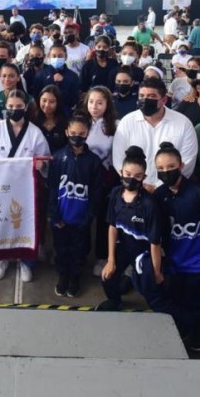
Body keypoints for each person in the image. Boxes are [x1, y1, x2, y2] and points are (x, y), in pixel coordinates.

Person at [153, 141, 200, 351]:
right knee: (175, 300)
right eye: (160, 168)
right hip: (174, 262)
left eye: (171, 167)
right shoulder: (159, 195)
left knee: (191, 303)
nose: (166, 172)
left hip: (198, 262)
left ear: (181, 166)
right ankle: (183, 330)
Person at [0, 89, 50, 283]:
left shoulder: (35, 133)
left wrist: (42, 165)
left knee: (25, 224)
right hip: (1, 186)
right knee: (1, 222)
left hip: (26, 188)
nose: (15, 110)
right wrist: (8, 165)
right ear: (6, 107)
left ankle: (26, 261)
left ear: (26, 107)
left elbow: (44, 158)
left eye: (19, 106)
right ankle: (2, 259)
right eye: (11, 106)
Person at [95, 145, 163, 312]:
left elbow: (155, 242)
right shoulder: (115, 194)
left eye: (137, 176)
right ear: (121, 172)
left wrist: (156, 272)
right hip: (124, 246)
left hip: (144, 252)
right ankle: (115, 301)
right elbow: (112, 227)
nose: (131, 179)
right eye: (128, 174)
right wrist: (111, 260)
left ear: (144, 177)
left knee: (150, 287)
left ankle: (163, 309)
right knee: (107, 277)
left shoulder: (150, 204)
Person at [47, 114, 104, 297]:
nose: (76, 137)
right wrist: (54, 214)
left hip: (81, 219)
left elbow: (96, 192)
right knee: (61, 249)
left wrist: (89, 216)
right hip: (61, 216)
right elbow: (52, 187)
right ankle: (63, 275)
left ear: (87, 134)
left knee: (79, 250)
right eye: (73, 133)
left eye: (81, 134)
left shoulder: (94, 161)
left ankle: (75, 277)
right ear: (66, 132)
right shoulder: (58, 158)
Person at [112, 78, 197, 189]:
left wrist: (160, 188)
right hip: (136, 190)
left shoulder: (183, 123)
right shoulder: (127, 122)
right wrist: (139, 185)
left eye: (151, 96)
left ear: (164, 100)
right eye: (142, 96)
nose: (145, 100)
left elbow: (187, 161)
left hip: (172, 190)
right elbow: (119, 160)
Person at [79, 86, 117, 276]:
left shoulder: (115, 126)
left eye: (99, 103)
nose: (94, 106)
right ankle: (82, 252)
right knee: (83, 216)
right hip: (82, 176)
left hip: (104, 177)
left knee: (103, 218)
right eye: (91, 102)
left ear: (107, 104)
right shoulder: (80, 122)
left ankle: (102, 256)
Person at [33, 43, 80, 113]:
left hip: (65, 114)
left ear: (65, 57)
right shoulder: (40, 75)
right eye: (54, 56)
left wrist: (63, 83)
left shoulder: (73, 76)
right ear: (49, 56)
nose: (57, 58)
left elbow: (74, 100)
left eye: (60, 56)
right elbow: (36, 97)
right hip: (45, 113)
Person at [34, 84, 68, 153]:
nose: (47, 105)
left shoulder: (65, 123)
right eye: (44, 100)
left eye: (52, 102)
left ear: (58, 103)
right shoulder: (33, 121)